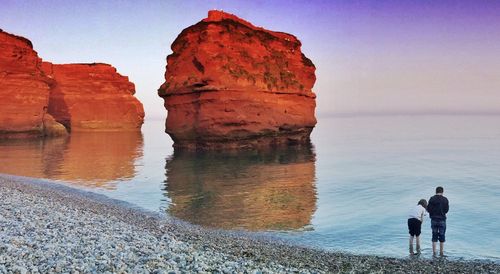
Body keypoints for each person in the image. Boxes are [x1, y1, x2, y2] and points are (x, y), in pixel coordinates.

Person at [427, 186, 449, 256]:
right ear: (442, 192)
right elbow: (446, 210)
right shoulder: (445, 199)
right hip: (442, 219)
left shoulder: (432, 199)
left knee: (434, 235)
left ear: (436, 191)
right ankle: (441, 252)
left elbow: (428, 209)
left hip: (433, 219)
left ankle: (434, 252)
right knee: (442, 235)